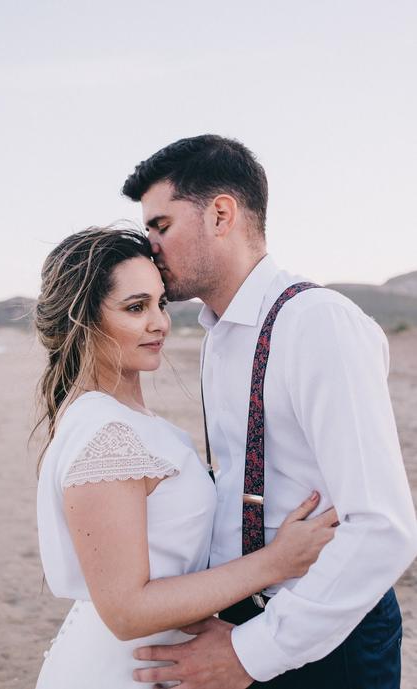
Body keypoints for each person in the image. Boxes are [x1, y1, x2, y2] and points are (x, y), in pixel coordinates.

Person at [122, 135, 417, 688]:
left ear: (221, 214)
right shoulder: (217, 337)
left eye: (161, 225)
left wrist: (251, 652)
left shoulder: (318, 323)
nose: (150, 246)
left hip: (327, 635)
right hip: (242, 617)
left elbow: (383, 527)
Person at [33, 225, 337, 689]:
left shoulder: (131, 420)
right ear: (84, 320)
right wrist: (276, 562)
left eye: (160, 303)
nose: (159, 322)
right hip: (117, 671)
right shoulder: (104, 434)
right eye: (135, 308)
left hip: (158, 662)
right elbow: (126, 611)